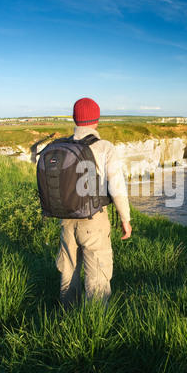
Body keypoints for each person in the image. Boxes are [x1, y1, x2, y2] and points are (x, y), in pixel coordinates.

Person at [56, 97, 132, 309]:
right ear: (96, 120)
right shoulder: (104, 147)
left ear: (75, 119)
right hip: (93, 220)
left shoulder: (63, 146)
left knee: (69, 270)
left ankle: (66, 314)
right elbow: (116, 188)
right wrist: (125, 219)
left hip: (66, 219)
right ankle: (95, 322)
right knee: (97, 272)